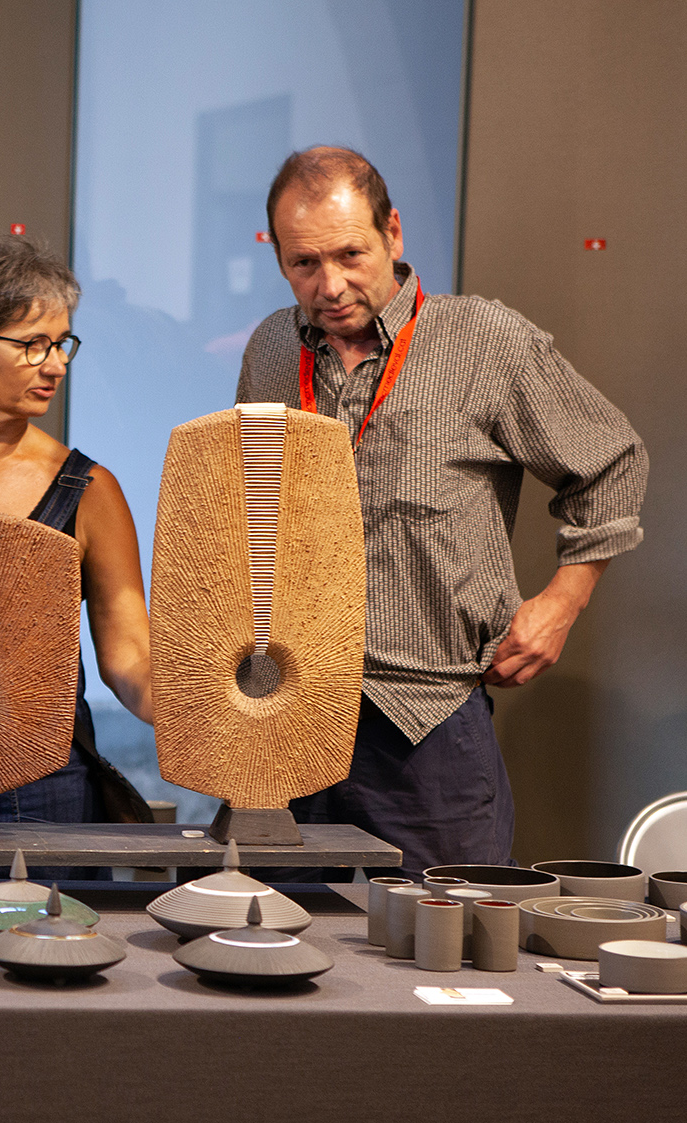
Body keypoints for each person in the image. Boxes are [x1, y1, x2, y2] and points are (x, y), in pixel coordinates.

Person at [237, 146, 647, 878]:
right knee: (270, 928)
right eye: (304, 264)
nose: (330, 285)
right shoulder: (271, 348)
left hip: (423, 723)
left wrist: (561, 602)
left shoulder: (483, 340)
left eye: (350, 254)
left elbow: (612, 461)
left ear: (392, 233)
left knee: (446, 934)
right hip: (284, 712)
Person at [0, 235, 156, 879]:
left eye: (62, 343)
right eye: (32, 345)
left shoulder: (90, 488)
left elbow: (129, 653)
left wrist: (196, 709)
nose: (56, 364)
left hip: (48, 781)